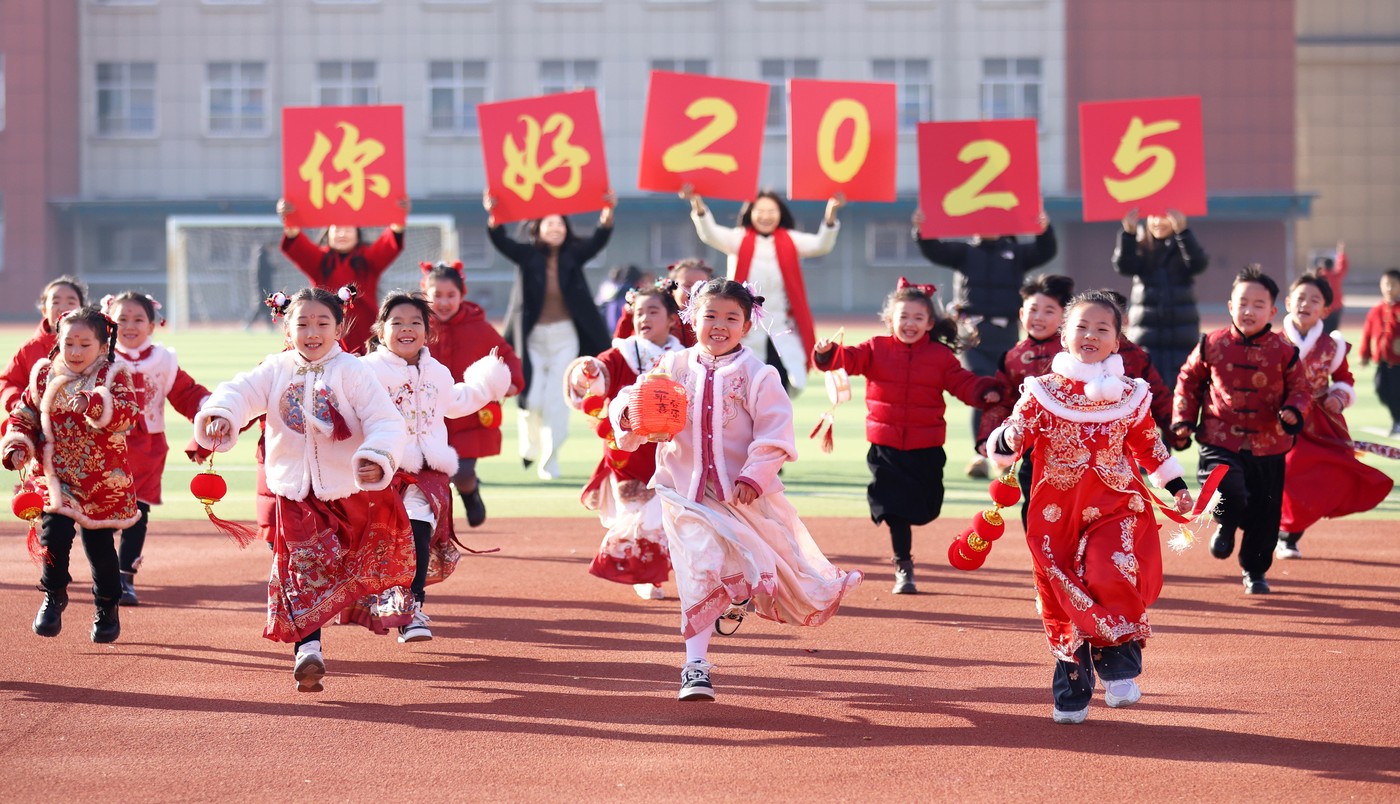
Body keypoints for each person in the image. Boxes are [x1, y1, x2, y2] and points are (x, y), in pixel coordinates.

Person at [608, 279, 863, 702]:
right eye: (710, 316)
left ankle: (735, 595)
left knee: (753, 563)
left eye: (731, 317)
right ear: (692, 319)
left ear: (747, 325)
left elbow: (775, 433)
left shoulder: (760, 376)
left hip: (739, 497)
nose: (720, 325)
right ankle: (695, 667)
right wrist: (630, 417)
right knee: (697, 568)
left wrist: (753, 476)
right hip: (680, 492)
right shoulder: (671, 368)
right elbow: (629, 401)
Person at [986, 291, 1194, 725]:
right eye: (1081, 327)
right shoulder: (1042, 391)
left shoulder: (1133, 394)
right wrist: (1005, 442)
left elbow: (1148, 444)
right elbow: (1017, 431)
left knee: (1109, 572)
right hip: (1054, 514)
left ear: (1118, 342)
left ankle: (1120, 671)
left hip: (1114, 504)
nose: (1091, 335)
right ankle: (1072, 694)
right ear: (1065, 336)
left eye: (1103, 329)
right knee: (1062, 601)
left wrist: (1175, 484)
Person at [194, 287, 412, 693]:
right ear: (286, 327)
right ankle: (307, 649)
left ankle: (397, 610)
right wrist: (223, 415)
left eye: (322, 323)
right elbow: (238, 393)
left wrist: (375, 455)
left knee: (346, 563)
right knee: (298, 569)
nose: (312, 332)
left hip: (346, 491)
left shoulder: (353, 371)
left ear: (341, 326)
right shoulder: (275, 369)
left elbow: (386, 421)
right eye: (303, 323)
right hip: (292, 493)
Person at [814, 278, 999, 595]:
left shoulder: (940, 357)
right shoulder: (875, 348)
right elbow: (847, 359)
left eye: (917, 317)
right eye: (903, 317)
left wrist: (986, 392)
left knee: (927, 509)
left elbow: (963, 383)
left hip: (926, 447)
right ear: (890, 320)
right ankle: (903, 565)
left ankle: (908, 533)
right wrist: (827, 354)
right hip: (885, 447)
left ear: (929, 323)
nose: (909, 323)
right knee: (893, 508)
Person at [358, 292, 511, 641]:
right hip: (383, 471)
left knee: (418, 534)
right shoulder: (365, 371)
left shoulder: (436, 372)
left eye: (415, 322)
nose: (406, 329)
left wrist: (487, 380)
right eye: (397, 322)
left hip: (427, 473)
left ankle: (413, 611)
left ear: (428, 332)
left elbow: (457, 402)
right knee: (384, 543)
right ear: (381, 331)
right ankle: (382, 601)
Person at [1, 306, 141, 644]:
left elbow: (128, 414)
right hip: (55, 476)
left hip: (101, 479)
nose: (75, 352)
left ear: (103, 344)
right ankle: (53, 594)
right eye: (69, 344)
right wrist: (17, 444)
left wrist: (95, 403)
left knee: (100, 549)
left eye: (84, 344)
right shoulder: (43, 374)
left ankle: (107, 606)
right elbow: (25, 414)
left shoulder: (113, 375)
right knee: (54, 537)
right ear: (58, 342)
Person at [1171, 265, 1311, 595]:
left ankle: (1255, 572)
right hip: (1219, 439)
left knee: (1265, 515)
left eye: (1258, 305)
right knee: (1227, 488)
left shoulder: (1285, 352)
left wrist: (1293, 411)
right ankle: (1225, 523)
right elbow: (1187, 382)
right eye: (1242, 303)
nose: (1249, 311)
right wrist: (1182, 420)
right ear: (1230, 305)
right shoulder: (1211, 344)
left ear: (1273, 311)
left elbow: (1301, 389)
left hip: (1268, 444)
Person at [912, 208, 1057, 478]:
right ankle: (979, 455)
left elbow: (1045, 251)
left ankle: (1003, 453)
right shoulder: (965, 252)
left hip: (1006, 333)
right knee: (983, 385)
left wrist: (1045, 228)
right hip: (972, 333)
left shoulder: (1016, 253)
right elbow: (935, 250)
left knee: (1006, 392)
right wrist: (921, 230)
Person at [565, 281, 686, 601]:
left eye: (653, 311)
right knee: (636, 516)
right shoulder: (622, 353)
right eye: (638, 312)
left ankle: (671, 573)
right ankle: (648, 577)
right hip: (627, 452)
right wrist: (587, 370)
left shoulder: (684, 356)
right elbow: (599, 374)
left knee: (670, 516)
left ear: (672, 318)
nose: (643, 318)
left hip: (670, 450)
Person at [486, 192, 615, 481]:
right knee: (531, 398)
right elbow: (500, 240)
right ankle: (530, 445)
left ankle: (551, 459)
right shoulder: (527, 255)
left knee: (558, 400)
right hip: (531, 337)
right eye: (549, 224)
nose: (555, 228)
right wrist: (494, 215)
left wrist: (607, 211)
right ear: (538, 228)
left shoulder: (573, 255)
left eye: (560, 224)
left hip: (565, 336)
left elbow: (598, 239)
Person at [103, 292, 212, 606]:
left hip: (149, 448)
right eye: (121, 319)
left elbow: (187, 393)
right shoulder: (102, 357)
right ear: (109, 322)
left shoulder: (163, 360)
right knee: (105, 515)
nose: (130, 326)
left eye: (138, 319)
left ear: (153, 324)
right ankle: (106, 574)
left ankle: (125, 579)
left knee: (138, 513)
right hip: (108, 448)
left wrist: (210, 408)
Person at [683, 187, 844, 396]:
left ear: (780, 214)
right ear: (750, 213)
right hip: (746, 325)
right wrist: (697, 202)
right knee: (745, 383)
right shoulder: (738, 239)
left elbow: (821, 245)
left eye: (771, 211)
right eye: (760, 211)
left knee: (783, 383)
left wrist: (831, 213)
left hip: (780, 325)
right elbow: (710, 233)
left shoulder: (791, 240)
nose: (766, 217)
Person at [1277, 273, 1393, 558]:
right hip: (1279, 422)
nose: (1306, 304)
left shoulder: (1332, 345)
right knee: (1283, 474)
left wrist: (1339, 397)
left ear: (1325, 310)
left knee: (1322, 476)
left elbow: (1344, 378)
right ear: (1288, 302)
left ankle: (1289, 536)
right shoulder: (1272, 341)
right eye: (1301, 298)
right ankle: (1271, 528)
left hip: (1318, 423)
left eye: (1314, 300)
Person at [421, 261, 523, 527]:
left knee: (463, 472)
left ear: (461, 295)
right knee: (428, 477)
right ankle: (433, 528)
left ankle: (470, 493)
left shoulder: (478, 327)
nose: (444, 302)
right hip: (427, 416)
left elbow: (506, 354)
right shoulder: (416, 325)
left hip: (468, 414)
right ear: (425, 293)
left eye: (451, 295)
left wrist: (509, 381)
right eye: (437, 295)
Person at [975, 274, 1075, 528]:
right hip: (1031, 447)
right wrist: (988, 438)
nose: (1039, 317)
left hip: (1073, 446)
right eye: (1033, 310)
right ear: (1021, 314)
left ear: (1064, 317)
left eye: (1048, 311)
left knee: (1073, 505)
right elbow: (1002, 402)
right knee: (1033, 500)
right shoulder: (1012, 357)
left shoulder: (1074, 352)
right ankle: (1040, 558)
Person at [276, 195, 411, 354]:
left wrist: (399, 216)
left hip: (366, 332)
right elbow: (295, 239)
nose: (342, 234)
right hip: (325, 332)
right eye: (337, 229)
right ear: (328, 233)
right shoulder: (320, 261)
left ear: (357, 233)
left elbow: (390, 240)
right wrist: (289, 217)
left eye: (347, 229)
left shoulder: (368, 260)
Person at [1113, 207, 1209, 393]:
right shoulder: (1140, 245)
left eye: (1164, 217)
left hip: (1181, 332)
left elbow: (1198, 263)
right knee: (1146, 389)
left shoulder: (1184, 246)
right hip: (1147, 332)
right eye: (1153, 217)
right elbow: (1123, 265)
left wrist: (1183, 232)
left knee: (1182, 389)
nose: (1158, 223)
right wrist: (1128, 234)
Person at [1, 276, 87, 414]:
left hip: (80, 427)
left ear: (83, 309)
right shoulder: (29, 349)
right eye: (55, 302)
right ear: (44, 311)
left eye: (71, 302)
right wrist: (17, 403)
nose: (63, 308)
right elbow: (9, 382)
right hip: (37, 425)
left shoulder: (95, 347)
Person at [613, 258, 713, 347]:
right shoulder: (653, 312)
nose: (694, 291)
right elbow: (620, 346)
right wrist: (629, 315)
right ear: (672, 287)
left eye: (701, 285)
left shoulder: (712, 317)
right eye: (688, 285)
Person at [1359, 269, 1400, 437]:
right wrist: (1364, 354)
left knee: (1396, 392)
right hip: (1382, 360)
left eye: (1393, 284)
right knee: (1381, 390)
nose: (1389, 288)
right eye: (1386, 284)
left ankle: (1397, 421)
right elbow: (1367, 333)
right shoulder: (1375, 310)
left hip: (1398, 362)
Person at [244, 240, 281, 332]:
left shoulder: (263, 256)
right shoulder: (261, 257)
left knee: (265, 307)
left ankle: (269, 327)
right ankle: (249, 325)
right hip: (263, 287)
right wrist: (274, 268)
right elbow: (264, 272)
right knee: (262, 306)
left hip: (265, 287)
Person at [1314, 242, 1348, 333]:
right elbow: (1343, 266)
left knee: (1322, 331)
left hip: (1323, 308)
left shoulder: (1319, 277)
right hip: (1337, 308)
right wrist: (1341, 252)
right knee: (1333, 332)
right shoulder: (1336, 275)